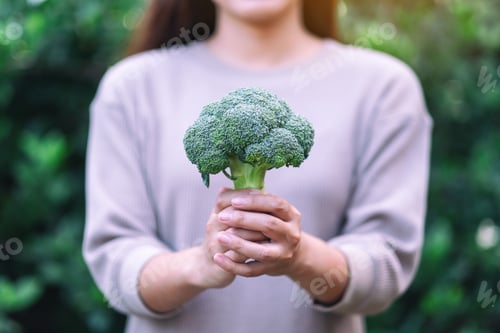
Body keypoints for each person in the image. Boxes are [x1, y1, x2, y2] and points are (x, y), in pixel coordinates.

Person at [83, 0, 432, 332]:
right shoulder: (130, 88)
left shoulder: (384, 88)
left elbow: (386, 261)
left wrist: (300, 256)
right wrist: (200, 265)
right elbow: (115, 258)